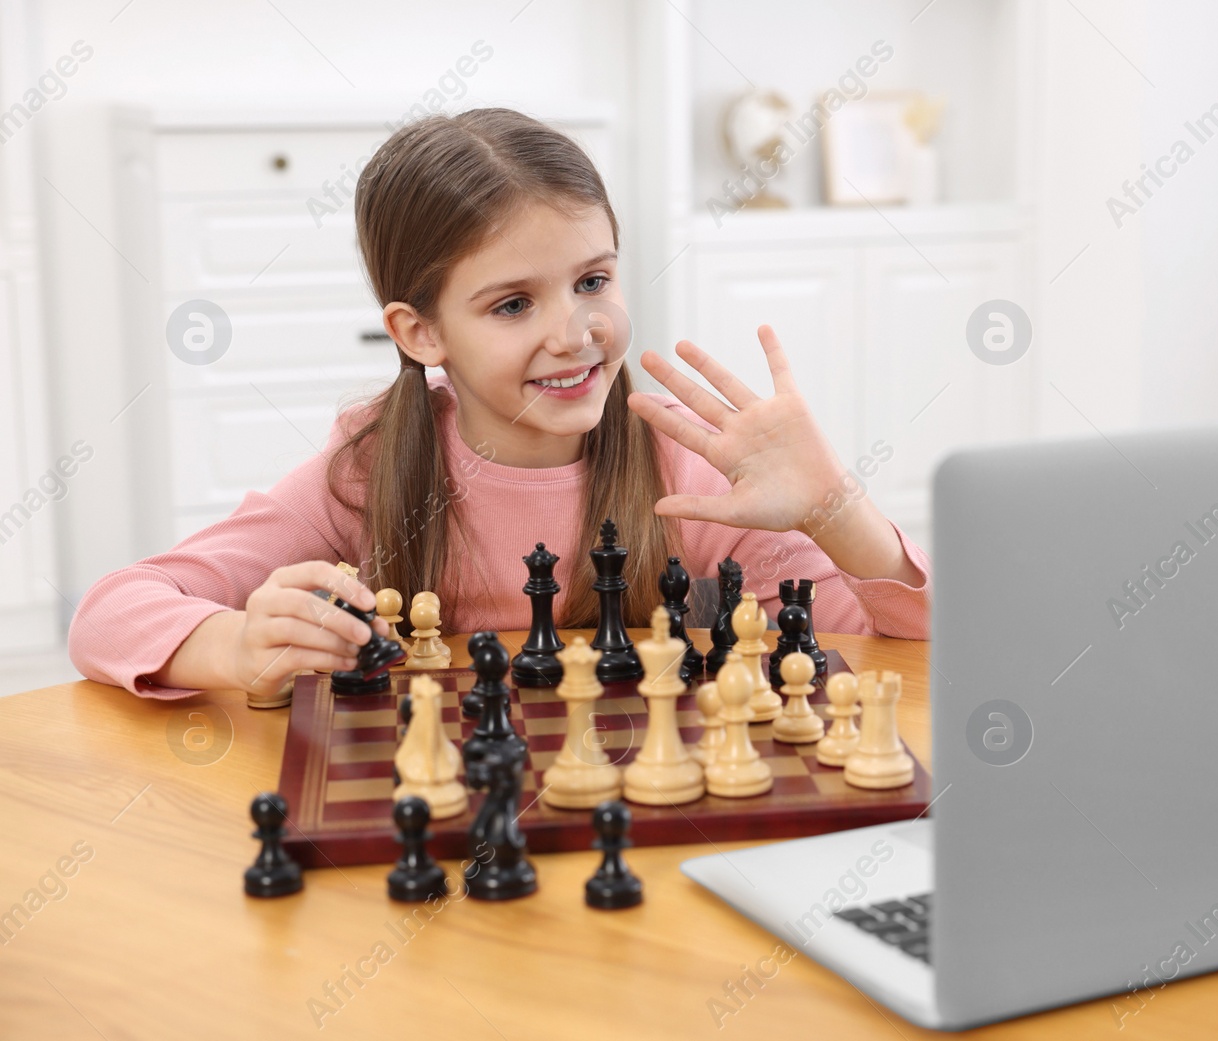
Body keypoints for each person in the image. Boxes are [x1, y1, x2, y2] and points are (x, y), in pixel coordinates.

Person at [68, 108, 929, 700]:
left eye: (593, 280)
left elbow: (908, 655)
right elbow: (111, 609)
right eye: (513, 304)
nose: (575, 331)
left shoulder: (686, 469)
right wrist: (236, 645)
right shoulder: (370, 464)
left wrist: (836, 510)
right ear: (421, 332)